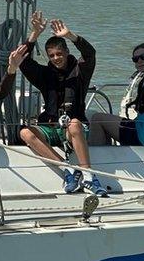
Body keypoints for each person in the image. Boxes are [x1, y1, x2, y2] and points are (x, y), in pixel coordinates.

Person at [18, 11, 107, 197]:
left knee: (74, 124)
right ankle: (68, 171)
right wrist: (35, 33)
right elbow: (22, 61)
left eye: (59, 53)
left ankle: (89, 177)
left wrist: (70, 35)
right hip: (50, 126)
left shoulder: (80, 71)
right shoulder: (44, 75)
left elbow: (90, 54)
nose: (56, 58)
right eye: (51, 55)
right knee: (25, 132)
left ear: (67, 52)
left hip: (74, 128)